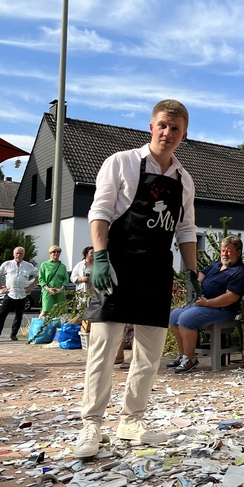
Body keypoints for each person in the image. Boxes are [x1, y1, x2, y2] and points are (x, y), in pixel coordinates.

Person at [74, 99, 199, 459]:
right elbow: (99, 211)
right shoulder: (122, 162)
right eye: (162, 125)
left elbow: (186, 229)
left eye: (175, 128)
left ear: (183, 134)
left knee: (149, 355)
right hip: (116, 267)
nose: (167, 133)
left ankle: (132, 421)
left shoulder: (184, 180)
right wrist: (100, 257)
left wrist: (191, 271)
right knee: (103, 350)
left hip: (156, 271)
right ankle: (91, 425)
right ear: (151, 127)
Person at [168, 235, 244, 371]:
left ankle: (190, 358)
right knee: (174, 315)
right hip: (203, 304)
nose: (224, 254)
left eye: (228, 251)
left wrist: (207, 303)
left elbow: (231, 297)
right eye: (223, 251)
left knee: (186, 318)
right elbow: (203, 273)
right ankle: (182, 355)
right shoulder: (217, 265)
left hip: (223, 310)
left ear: (238, 252)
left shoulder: (238, 272)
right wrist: (197, 284)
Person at [0, 247, 38, 342]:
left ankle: (13, 335)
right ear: (13, 254)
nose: (18, 255)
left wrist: (31, 287)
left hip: (22, 294)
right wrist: (0, 288)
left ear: (23, 255)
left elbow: (38, 276)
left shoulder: (28, 266)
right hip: (10, 293)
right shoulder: (7, 264)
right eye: (17, 253)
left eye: (20, 253)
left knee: (19, 316)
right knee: (2, 315)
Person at [38, 245, 70, 316]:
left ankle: (55, 323)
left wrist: (61, 289)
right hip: (48, 291)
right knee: (45, 311)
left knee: (59, 312)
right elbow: (41, 278)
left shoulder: (63, 266)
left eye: (58, 252)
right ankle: (38, 323)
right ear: (50, 253)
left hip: (60, 292)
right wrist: (47, 288)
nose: (56, 253)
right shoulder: (44, 265)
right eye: (54, 252)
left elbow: (66, 279)